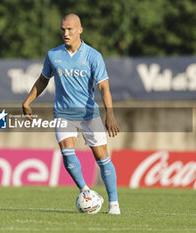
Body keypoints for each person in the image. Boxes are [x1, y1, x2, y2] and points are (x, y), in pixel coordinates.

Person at [22, 13, 120, 214]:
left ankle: (114, 205)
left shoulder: (93, 56)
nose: (65, 33)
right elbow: (43, 80)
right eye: (63, 29)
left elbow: (104, 87)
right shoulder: (53, 55)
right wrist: (28, 100)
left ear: (80, 30)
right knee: (67, 154)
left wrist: (109, 113)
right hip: (63, 114)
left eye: (70, 29)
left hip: (89, 115)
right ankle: (86, 192)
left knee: (102, 157)